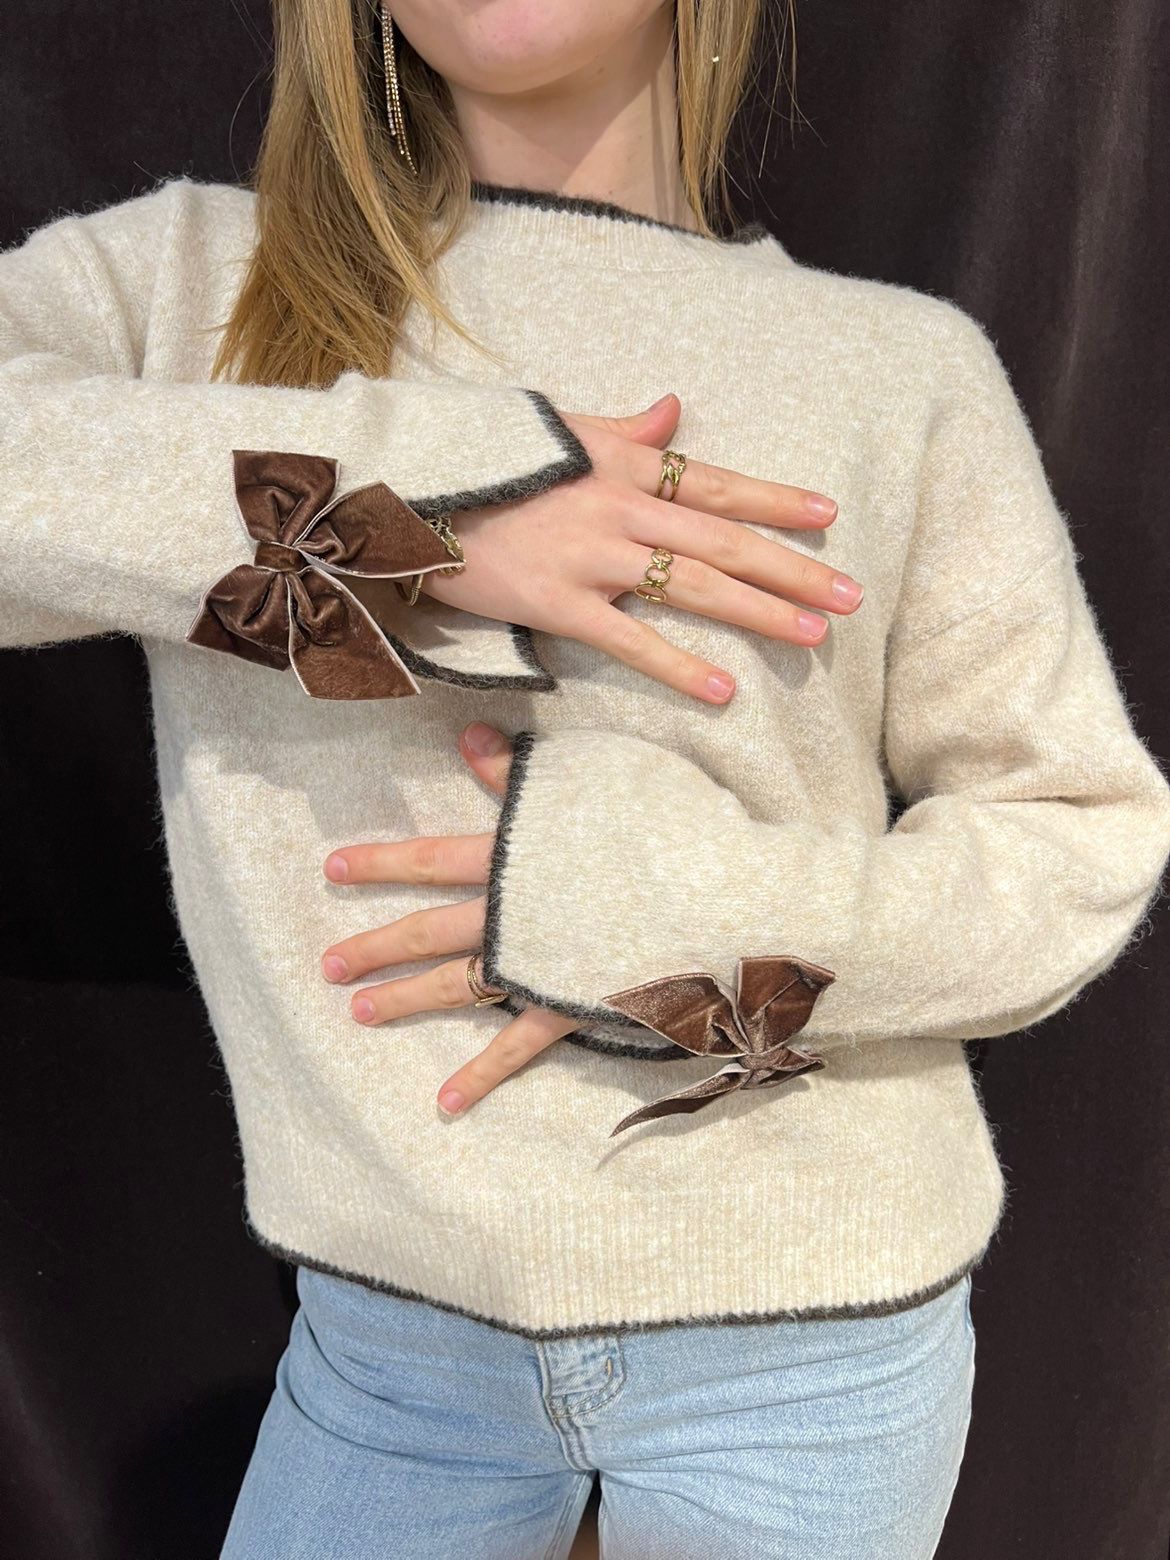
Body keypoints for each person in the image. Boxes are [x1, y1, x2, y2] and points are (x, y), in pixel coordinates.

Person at [3, 2, 1168, 1556]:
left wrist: (667, 910)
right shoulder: (184, 283)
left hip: (810, 1342)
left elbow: (1074, 841)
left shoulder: (896, 368)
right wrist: (411, 521)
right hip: (389, 1356)